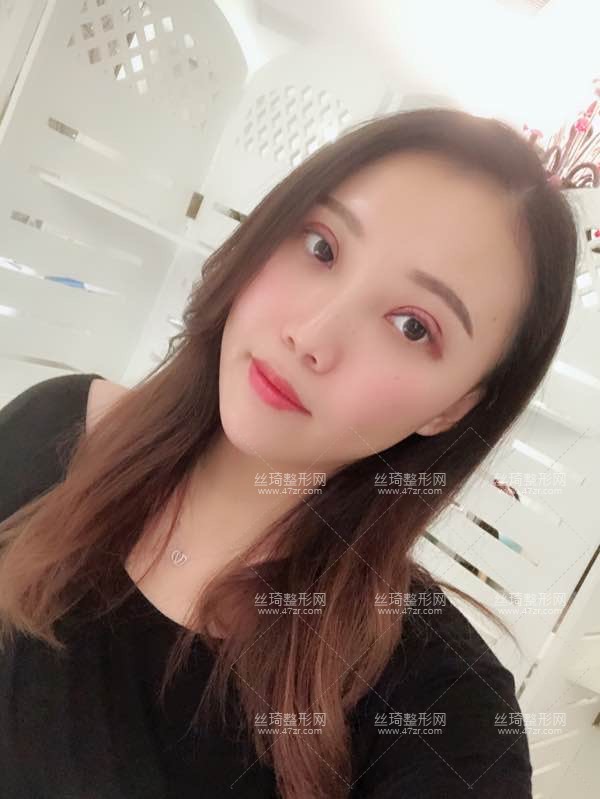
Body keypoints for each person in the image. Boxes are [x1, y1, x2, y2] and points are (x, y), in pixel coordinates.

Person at [0, 107, 578, 798]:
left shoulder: (442, 706)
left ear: (453, 407)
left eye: (411, 325)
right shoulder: (55, 424)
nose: (312, 334)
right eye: (321, 246)